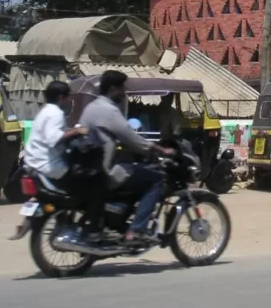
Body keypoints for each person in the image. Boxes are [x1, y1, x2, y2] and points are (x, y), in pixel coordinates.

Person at [81, 70, 174, 243]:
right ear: (112, 89)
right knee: (157, 180)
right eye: (121, 88)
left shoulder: (91, 107)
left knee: (138, 173)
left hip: (92, 168)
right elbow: (132, 139)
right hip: (108, 169)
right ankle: (137, 229)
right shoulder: (109, 111)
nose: (123, 93)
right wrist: (159, 149)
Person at [23, 80, 105, 238]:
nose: (70, 101)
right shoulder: (56, 113)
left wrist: (71, 131)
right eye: (68, 97)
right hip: (50, 167)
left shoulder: (45, 111)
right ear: (61, 97)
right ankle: (94, 229)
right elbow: (54, 138)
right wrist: (77, 131)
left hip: (34, 163)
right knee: (97, 185)